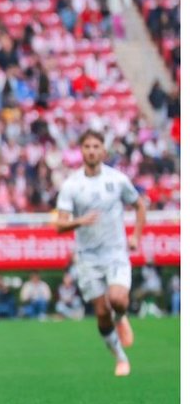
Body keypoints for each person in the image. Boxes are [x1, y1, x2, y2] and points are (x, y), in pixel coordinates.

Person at [54, 129, 146, 377]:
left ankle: (122, 316)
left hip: (115, 252)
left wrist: (136, 235)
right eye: (87, 147)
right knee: (102, 312)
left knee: (117, 300)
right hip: (87, 258)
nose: (92, 150)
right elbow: (59, 225)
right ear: (81, 151)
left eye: (96, 146)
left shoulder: (117, 180)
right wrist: (80, 221)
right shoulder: (72, 185)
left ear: (103, 151)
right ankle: (120, 358)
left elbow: (139, 205)